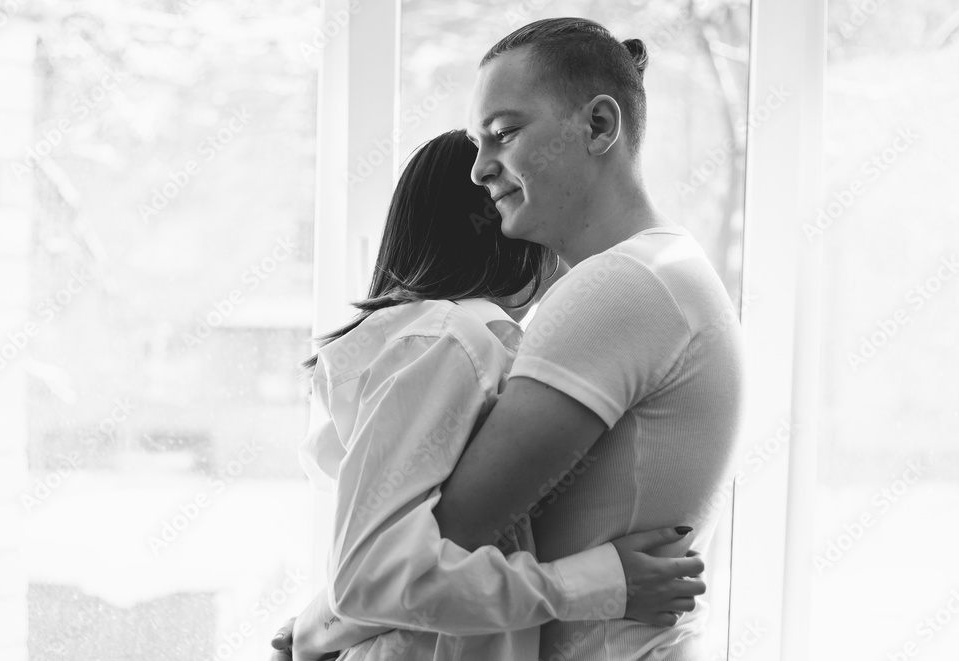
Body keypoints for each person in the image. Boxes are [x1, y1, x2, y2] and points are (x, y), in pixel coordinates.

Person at [273, 129, 706, 661]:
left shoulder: (447, 341)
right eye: (517, 201)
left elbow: (379, 569)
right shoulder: (449, 342)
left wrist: (318, 628)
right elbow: (372, 579)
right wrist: (602, 584)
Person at [431, 18, 746, 660]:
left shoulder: (623, 284)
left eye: (504, 133)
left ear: (599, 126)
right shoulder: (660, 269)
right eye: (475, 143)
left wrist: (325, 620)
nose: (479, 169)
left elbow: (445, 539)